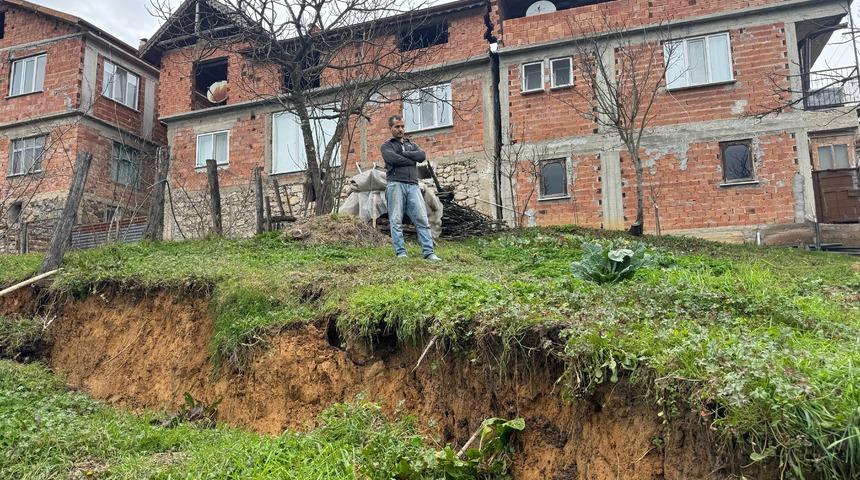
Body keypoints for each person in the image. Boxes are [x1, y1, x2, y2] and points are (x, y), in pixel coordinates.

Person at [380, 115, 441, 261]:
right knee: (396, 220)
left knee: (422, 218)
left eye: (402, 126)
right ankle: (401, 253)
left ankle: (429, 252)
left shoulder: (410, 144)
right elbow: (392, 159)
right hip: (395, 184)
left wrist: (404, 154)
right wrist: (410, 160)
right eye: (397, 127)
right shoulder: (386, 146)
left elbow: (421, 156)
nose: (400, 129)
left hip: (413, 185)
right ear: (391, 128)